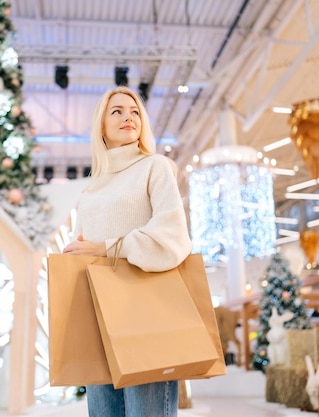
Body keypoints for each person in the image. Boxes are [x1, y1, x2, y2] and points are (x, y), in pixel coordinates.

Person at [62, 86, 193, 417]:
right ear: (101, 126)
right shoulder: (90, 191)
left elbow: (172, 238)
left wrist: (106, 247)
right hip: (99, 320)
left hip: (148, 316)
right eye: (116, 111)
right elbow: (87, 255)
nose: (128, 117)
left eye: (134, 111)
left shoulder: (156, 167)